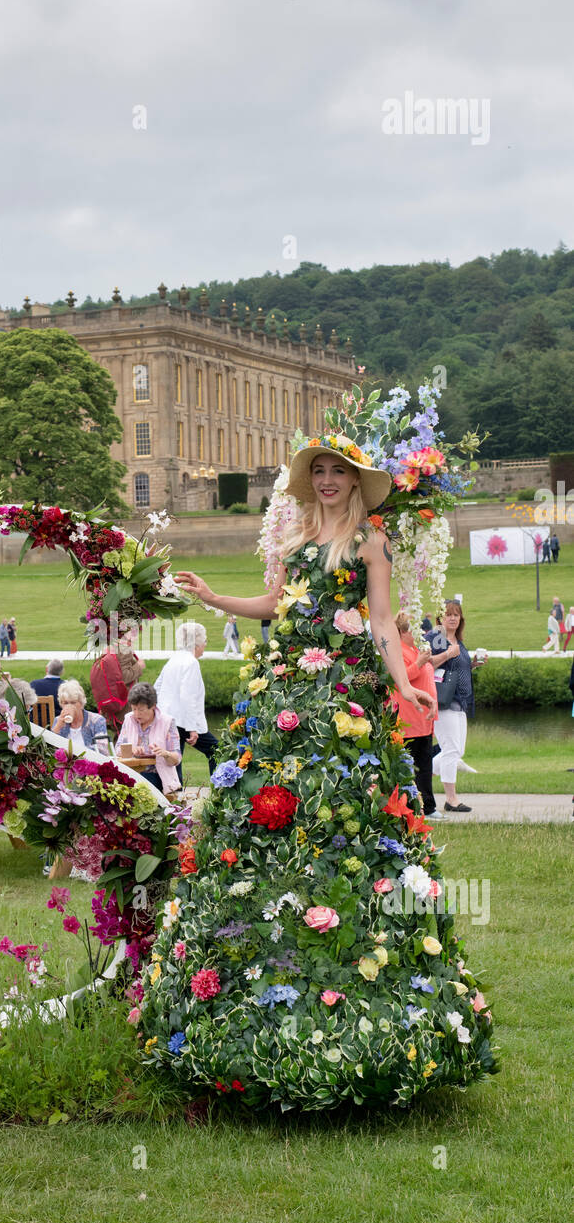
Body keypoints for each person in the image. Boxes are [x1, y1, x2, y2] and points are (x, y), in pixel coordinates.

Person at [155, 432, 494, 1108]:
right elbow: (273, 608)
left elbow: (378, 626)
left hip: (341, 697)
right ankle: (248, 972)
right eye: (320, 471)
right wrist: (217, 598)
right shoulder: (292, 537)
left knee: (346, 820)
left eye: (339, 471)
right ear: (309, 481)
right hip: (280, 693)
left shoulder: (370, 544)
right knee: (262, 824)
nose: (329, 480)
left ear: (356, 481)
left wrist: (405, 686)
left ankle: (358, 968)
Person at [153, 620, 218, 783]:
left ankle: (175, 800)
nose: (205, 645)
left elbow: (157, 686)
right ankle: (220, 790)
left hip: (168, 718)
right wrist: (192, 728)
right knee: (217, 750)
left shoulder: (174, 659)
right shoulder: (191, 663)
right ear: (197, 644)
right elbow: (187, 697)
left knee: (175, 761)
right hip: (182, 721)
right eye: (204, 641)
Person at [429, 600, 478, 811]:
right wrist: (449, 654)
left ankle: (417, 777)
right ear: (441, 618)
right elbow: (428, 663)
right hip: (444, 701)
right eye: (448, 614)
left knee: (457, 750)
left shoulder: (458, 640)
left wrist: (472, 663)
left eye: (456, 615)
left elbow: (457, 667)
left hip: (460, 701)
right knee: (450, 750)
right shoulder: (438, 637)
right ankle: (451, 799)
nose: (452, 618)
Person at [392, 612, 438, 817]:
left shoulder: (416, 649)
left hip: (423, 719)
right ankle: (407, 808)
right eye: (413, 630)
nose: (418, 633)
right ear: (403, 632)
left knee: (425, 766)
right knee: (408, 768)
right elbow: (401, 679)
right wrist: (418, 662)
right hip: (407, 719)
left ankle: (428, 806)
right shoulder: (397, 651)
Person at [115, 681, 181, 795]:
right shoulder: (129, 719)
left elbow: (177, 758)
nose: (136, 714)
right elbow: (117, 750)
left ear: (153, 706)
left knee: (139, 784)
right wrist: (131, 750)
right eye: (133, 709)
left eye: (141, 710)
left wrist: (165, 753)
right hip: (132, 772)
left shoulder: (167, 721)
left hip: (158, 776)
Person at [52, 679, 110, 753]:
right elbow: (51, 751)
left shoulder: (96, 720)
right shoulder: (58, 721)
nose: (69, 706)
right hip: (66, 764)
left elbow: (102, 750)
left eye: (73, 703)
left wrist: (75, 755)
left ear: (81, 703)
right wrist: (57, 727)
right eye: (65, 703)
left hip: (92, 763)